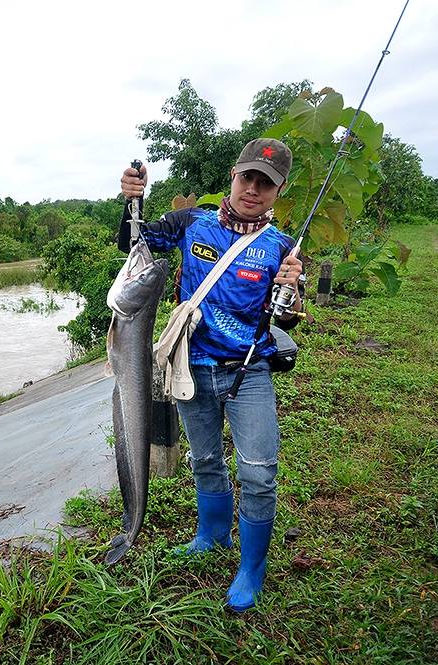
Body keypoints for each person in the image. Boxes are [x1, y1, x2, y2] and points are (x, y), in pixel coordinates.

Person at [118, 138, 304, 612]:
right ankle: (212, 535)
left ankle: (251, 568)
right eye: (248, 178)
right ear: (233, 176)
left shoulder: (281, 248)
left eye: (266, 184)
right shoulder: (191, 223)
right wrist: (131, 201)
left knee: (259, 473)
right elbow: (132, 244)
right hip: (191, 368)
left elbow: (286, 319)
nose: (254, 190)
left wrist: (291, 293)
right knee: (205, 461)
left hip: (249, 373)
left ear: (277, 192)